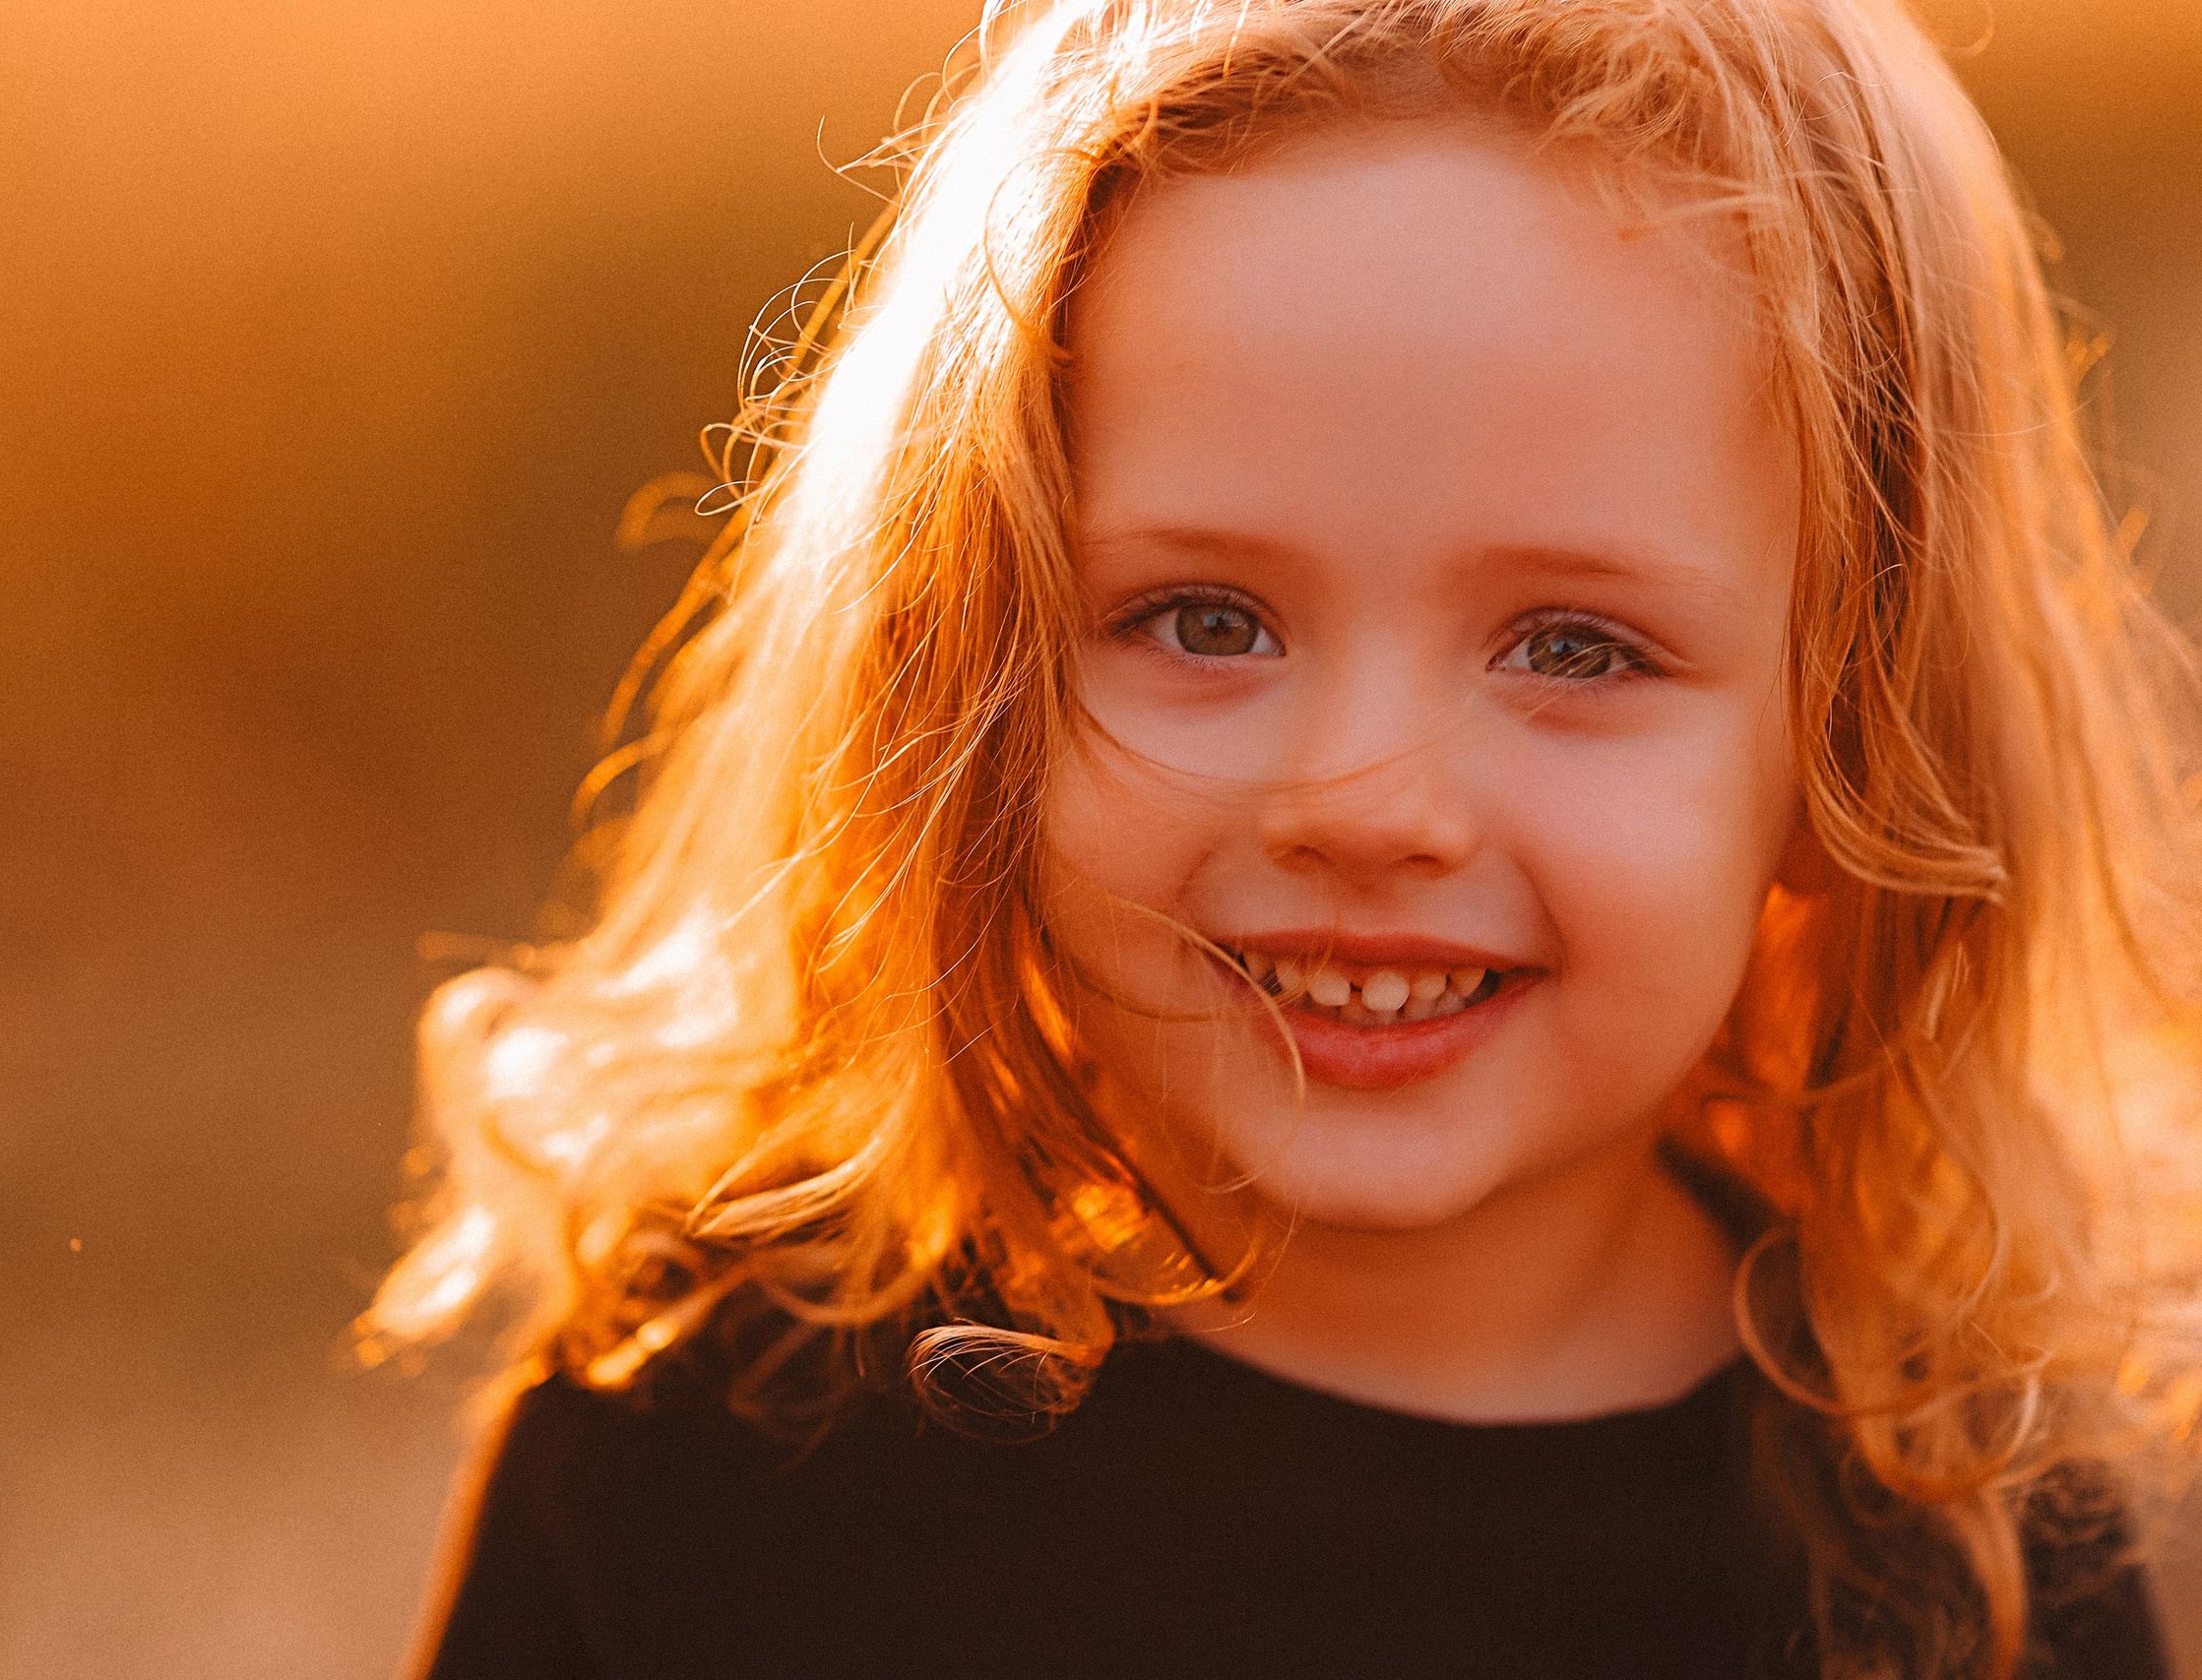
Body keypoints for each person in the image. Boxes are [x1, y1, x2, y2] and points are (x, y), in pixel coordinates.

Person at [366, 2, 2202, 1674]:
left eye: (1574, 646)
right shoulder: (707, 1434)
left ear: (1852, 735)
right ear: (972, 674)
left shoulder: (1965, 1551)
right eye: (1206, 620)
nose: (1366, 804)